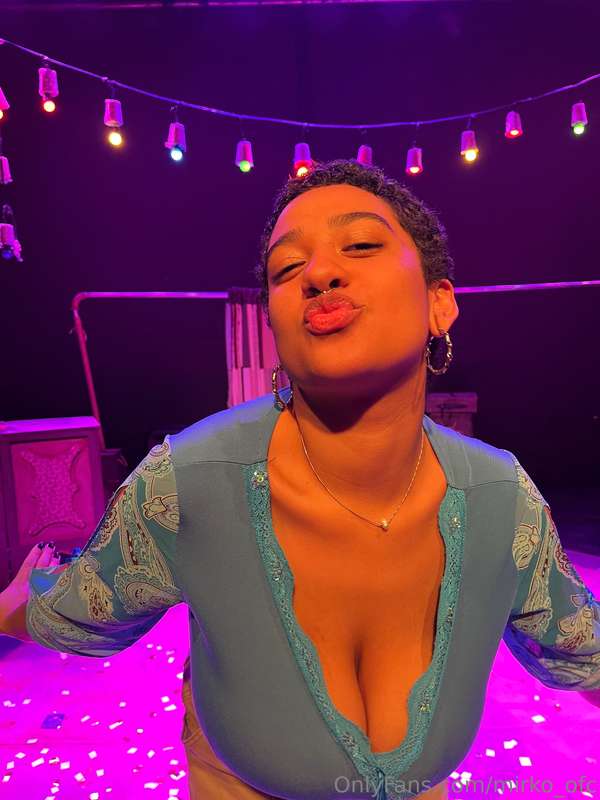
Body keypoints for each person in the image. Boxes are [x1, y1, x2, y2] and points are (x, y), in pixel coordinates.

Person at [1, 160, 599, 800]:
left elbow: (582, 652)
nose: (318, 274)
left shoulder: (502, 501)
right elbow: (75, 610)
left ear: (439, 303)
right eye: (287, 269)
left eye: (361, 244)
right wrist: (12, 603)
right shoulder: (187, 485)